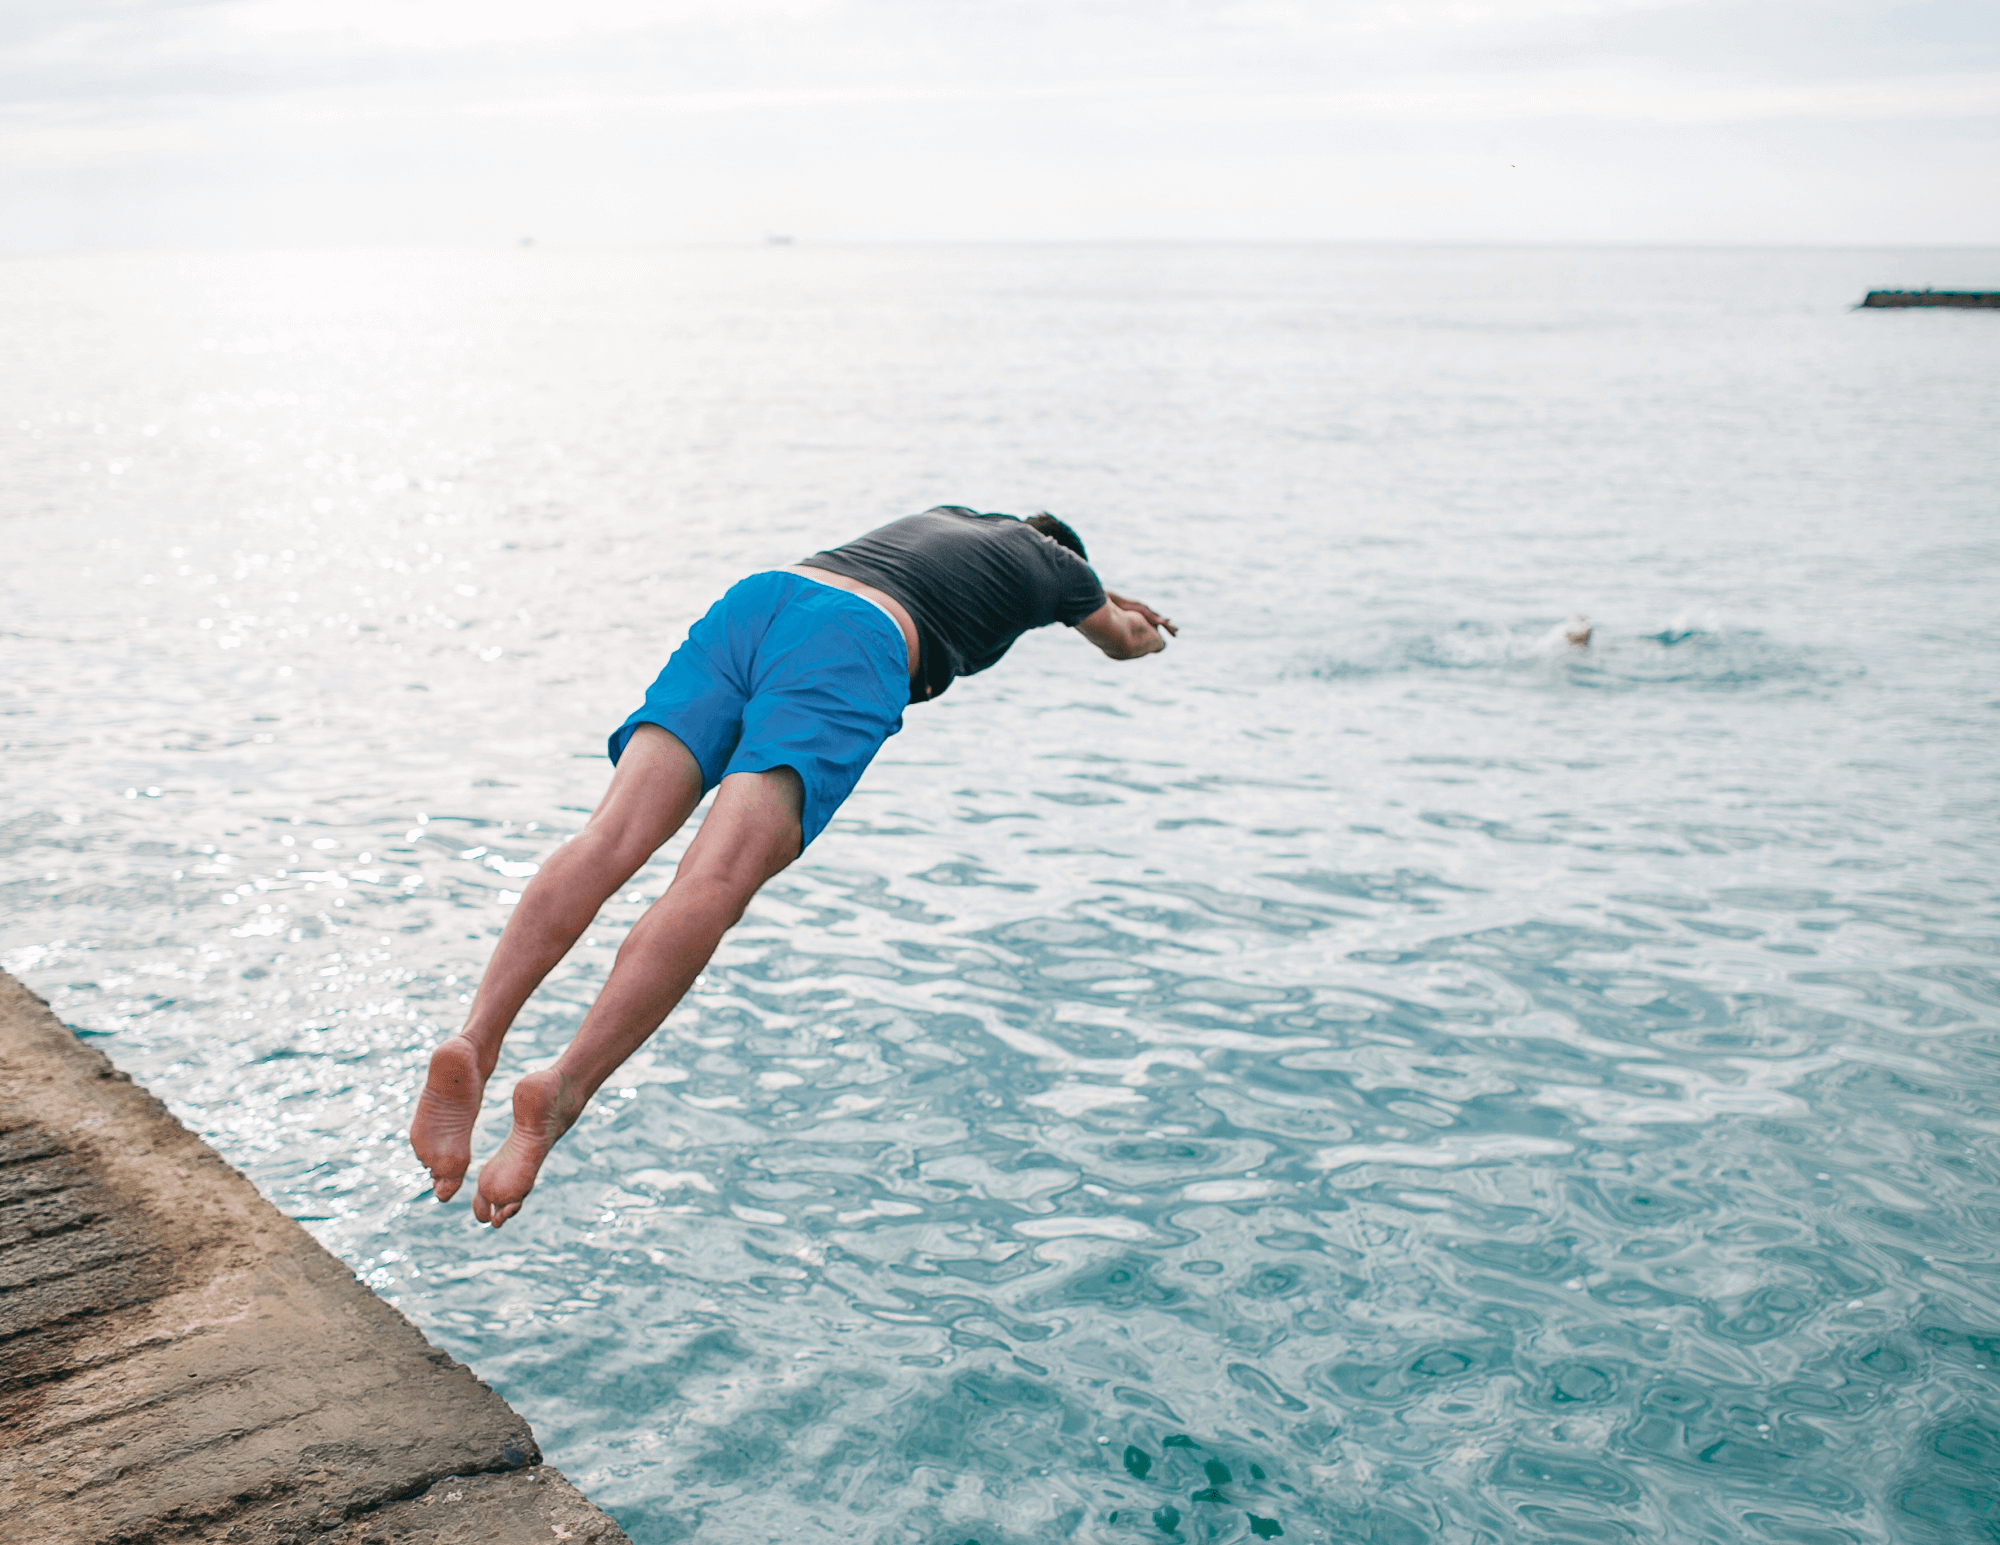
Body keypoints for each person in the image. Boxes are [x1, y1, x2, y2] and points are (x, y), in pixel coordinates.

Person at [408, 506, 1175, 1227]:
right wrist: (1148, 631)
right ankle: (564, 1087)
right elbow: (1119, 636)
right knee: (713, 880)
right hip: (852, 643)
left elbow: (1042, 577)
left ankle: (477, 1038)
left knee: (609, 838)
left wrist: (1087, 589)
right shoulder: (1058, 570)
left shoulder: (959, 521)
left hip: (761, 603)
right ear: (1069, 561)